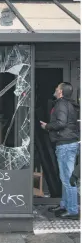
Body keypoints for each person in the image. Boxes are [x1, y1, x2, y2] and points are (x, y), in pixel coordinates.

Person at [40, 82, 80, 220]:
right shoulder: (69, 104)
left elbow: (61, 123)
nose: (55, 90)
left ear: (61, 92)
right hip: (68, 144)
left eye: (57, 88)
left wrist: (48, 126)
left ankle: (73, 210)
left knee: (69, 179)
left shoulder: (61, 104)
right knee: (65, 178)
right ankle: (65, 205)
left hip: (66, 145)